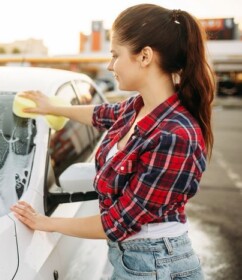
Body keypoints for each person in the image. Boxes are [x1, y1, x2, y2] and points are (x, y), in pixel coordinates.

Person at [11, 3, 214, 279]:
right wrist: (52, 107)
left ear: (144, 56)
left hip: (156, 263)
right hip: (134, 258)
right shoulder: (138, 107)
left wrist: (45, 222)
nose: (109, 65)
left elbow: (117, 223)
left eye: (115, 54)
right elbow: (100, 114)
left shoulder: (175, 136)